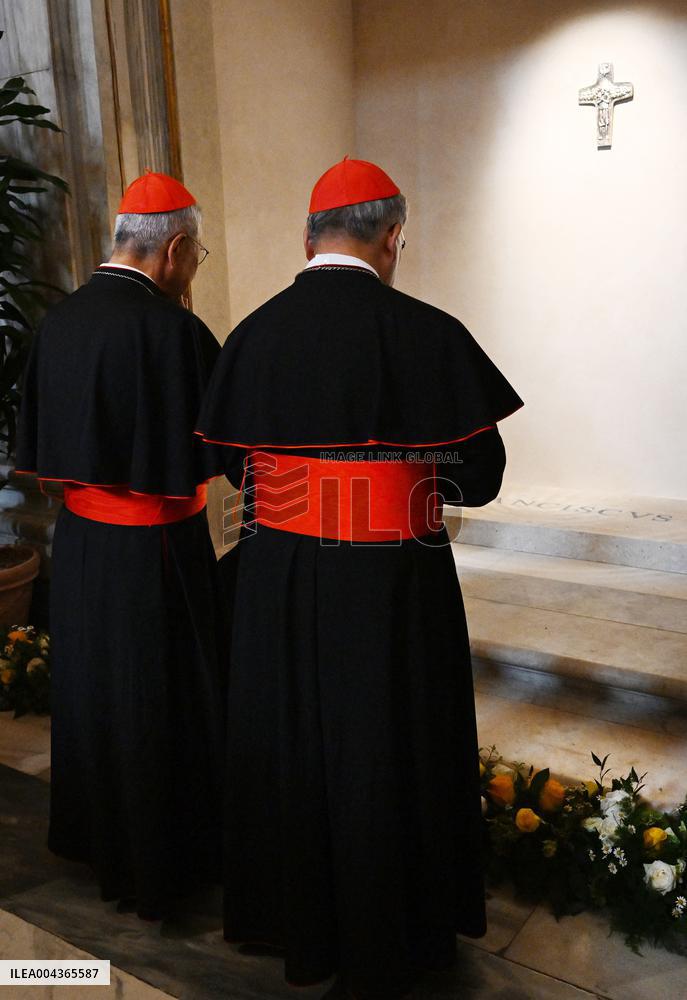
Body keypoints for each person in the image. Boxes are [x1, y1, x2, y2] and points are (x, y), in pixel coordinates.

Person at [196, 157, 524, 999]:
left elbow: (234, 465)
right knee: (392, 742)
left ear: (306, 239)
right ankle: (399, 928)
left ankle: (293, 918)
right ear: (391, 236)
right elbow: (479, 475)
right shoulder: (429, 331)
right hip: (393, 586)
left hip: (277, 579)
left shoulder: (251, 335)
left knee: (292, 743)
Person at [15, 171, 227, 921]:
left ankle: (100, 840)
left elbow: (44, 455)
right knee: (157, 700)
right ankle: (161, 863)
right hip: (157, 553)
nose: (193, 268)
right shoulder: (173, 331)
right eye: (196, 255)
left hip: (81, 551)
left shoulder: (60, 321)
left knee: (95, 692)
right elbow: (230, 450)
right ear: (172, 249)